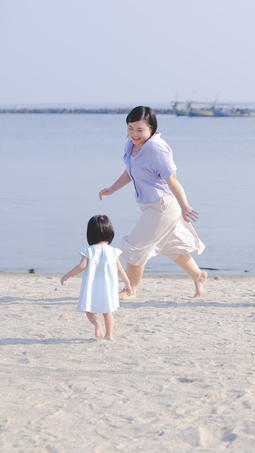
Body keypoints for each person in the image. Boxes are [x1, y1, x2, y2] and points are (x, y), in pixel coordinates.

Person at [98, 106, 207, 298]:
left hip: (162, 206)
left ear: (151, 128)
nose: (134, 134)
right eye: (131, 128)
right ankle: (198, 276)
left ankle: (130, 289)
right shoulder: (131, 146)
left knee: (134, 247)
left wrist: (184, 206)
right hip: (150, 206)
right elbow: (130, 171)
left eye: (140, 130)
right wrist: (113, 188)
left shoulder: (156, 148)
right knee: (171, 247)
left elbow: (172, 179)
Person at [61, 215, 132, 341]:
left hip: (92, 287)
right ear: (110, 232)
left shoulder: (89, 251)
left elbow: (81, 266)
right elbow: (120, 269)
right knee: (107, 312)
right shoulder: (113, 251)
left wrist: (67, 275)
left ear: (90, 233)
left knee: (89, 310)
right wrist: (127, 283)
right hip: (108, 288)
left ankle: (96, 323)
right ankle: (109, 335)